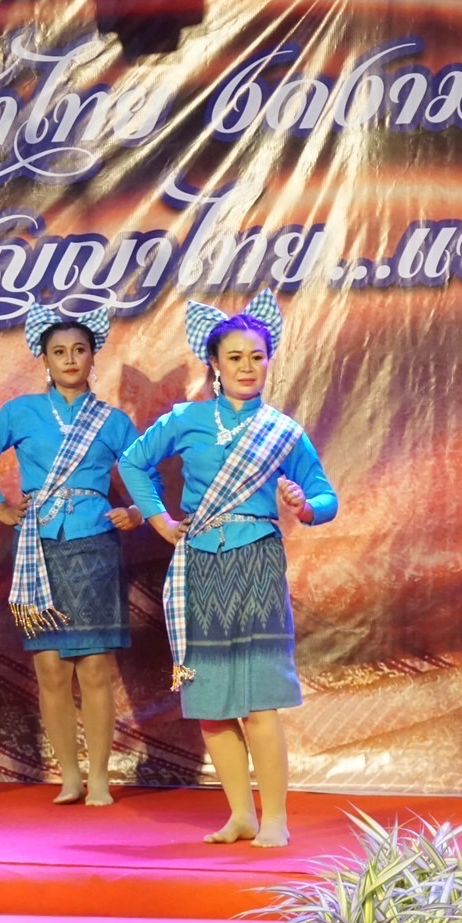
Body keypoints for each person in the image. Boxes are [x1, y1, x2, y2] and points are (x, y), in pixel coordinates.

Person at [119, 289, 337, 848]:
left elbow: (325, 495)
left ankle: (275, 818)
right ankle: (240, 814)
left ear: (268, 361)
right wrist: (160, 521)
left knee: (259, 702)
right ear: (214, 363)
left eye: (256, 357)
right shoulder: (187, 419)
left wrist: (305, 507)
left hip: (257, 561)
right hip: (201, 565)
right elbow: (134, 463)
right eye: (235, 357)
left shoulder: (283, 431)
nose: (246, 366)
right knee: (213, 706)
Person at [0, 304, 144, 807]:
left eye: (79, 350)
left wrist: (136, 511)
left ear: (92, 356)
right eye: (59, 351)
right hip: (37, 548)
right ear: (44, 358)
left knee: (95, 666)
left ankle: (100, 778)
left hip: (95, 545)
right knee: (51, 669)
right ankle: (69, 778)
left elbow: (144, 474)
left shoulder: (113, 421)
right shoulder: (21, 412)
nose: (70, 359)